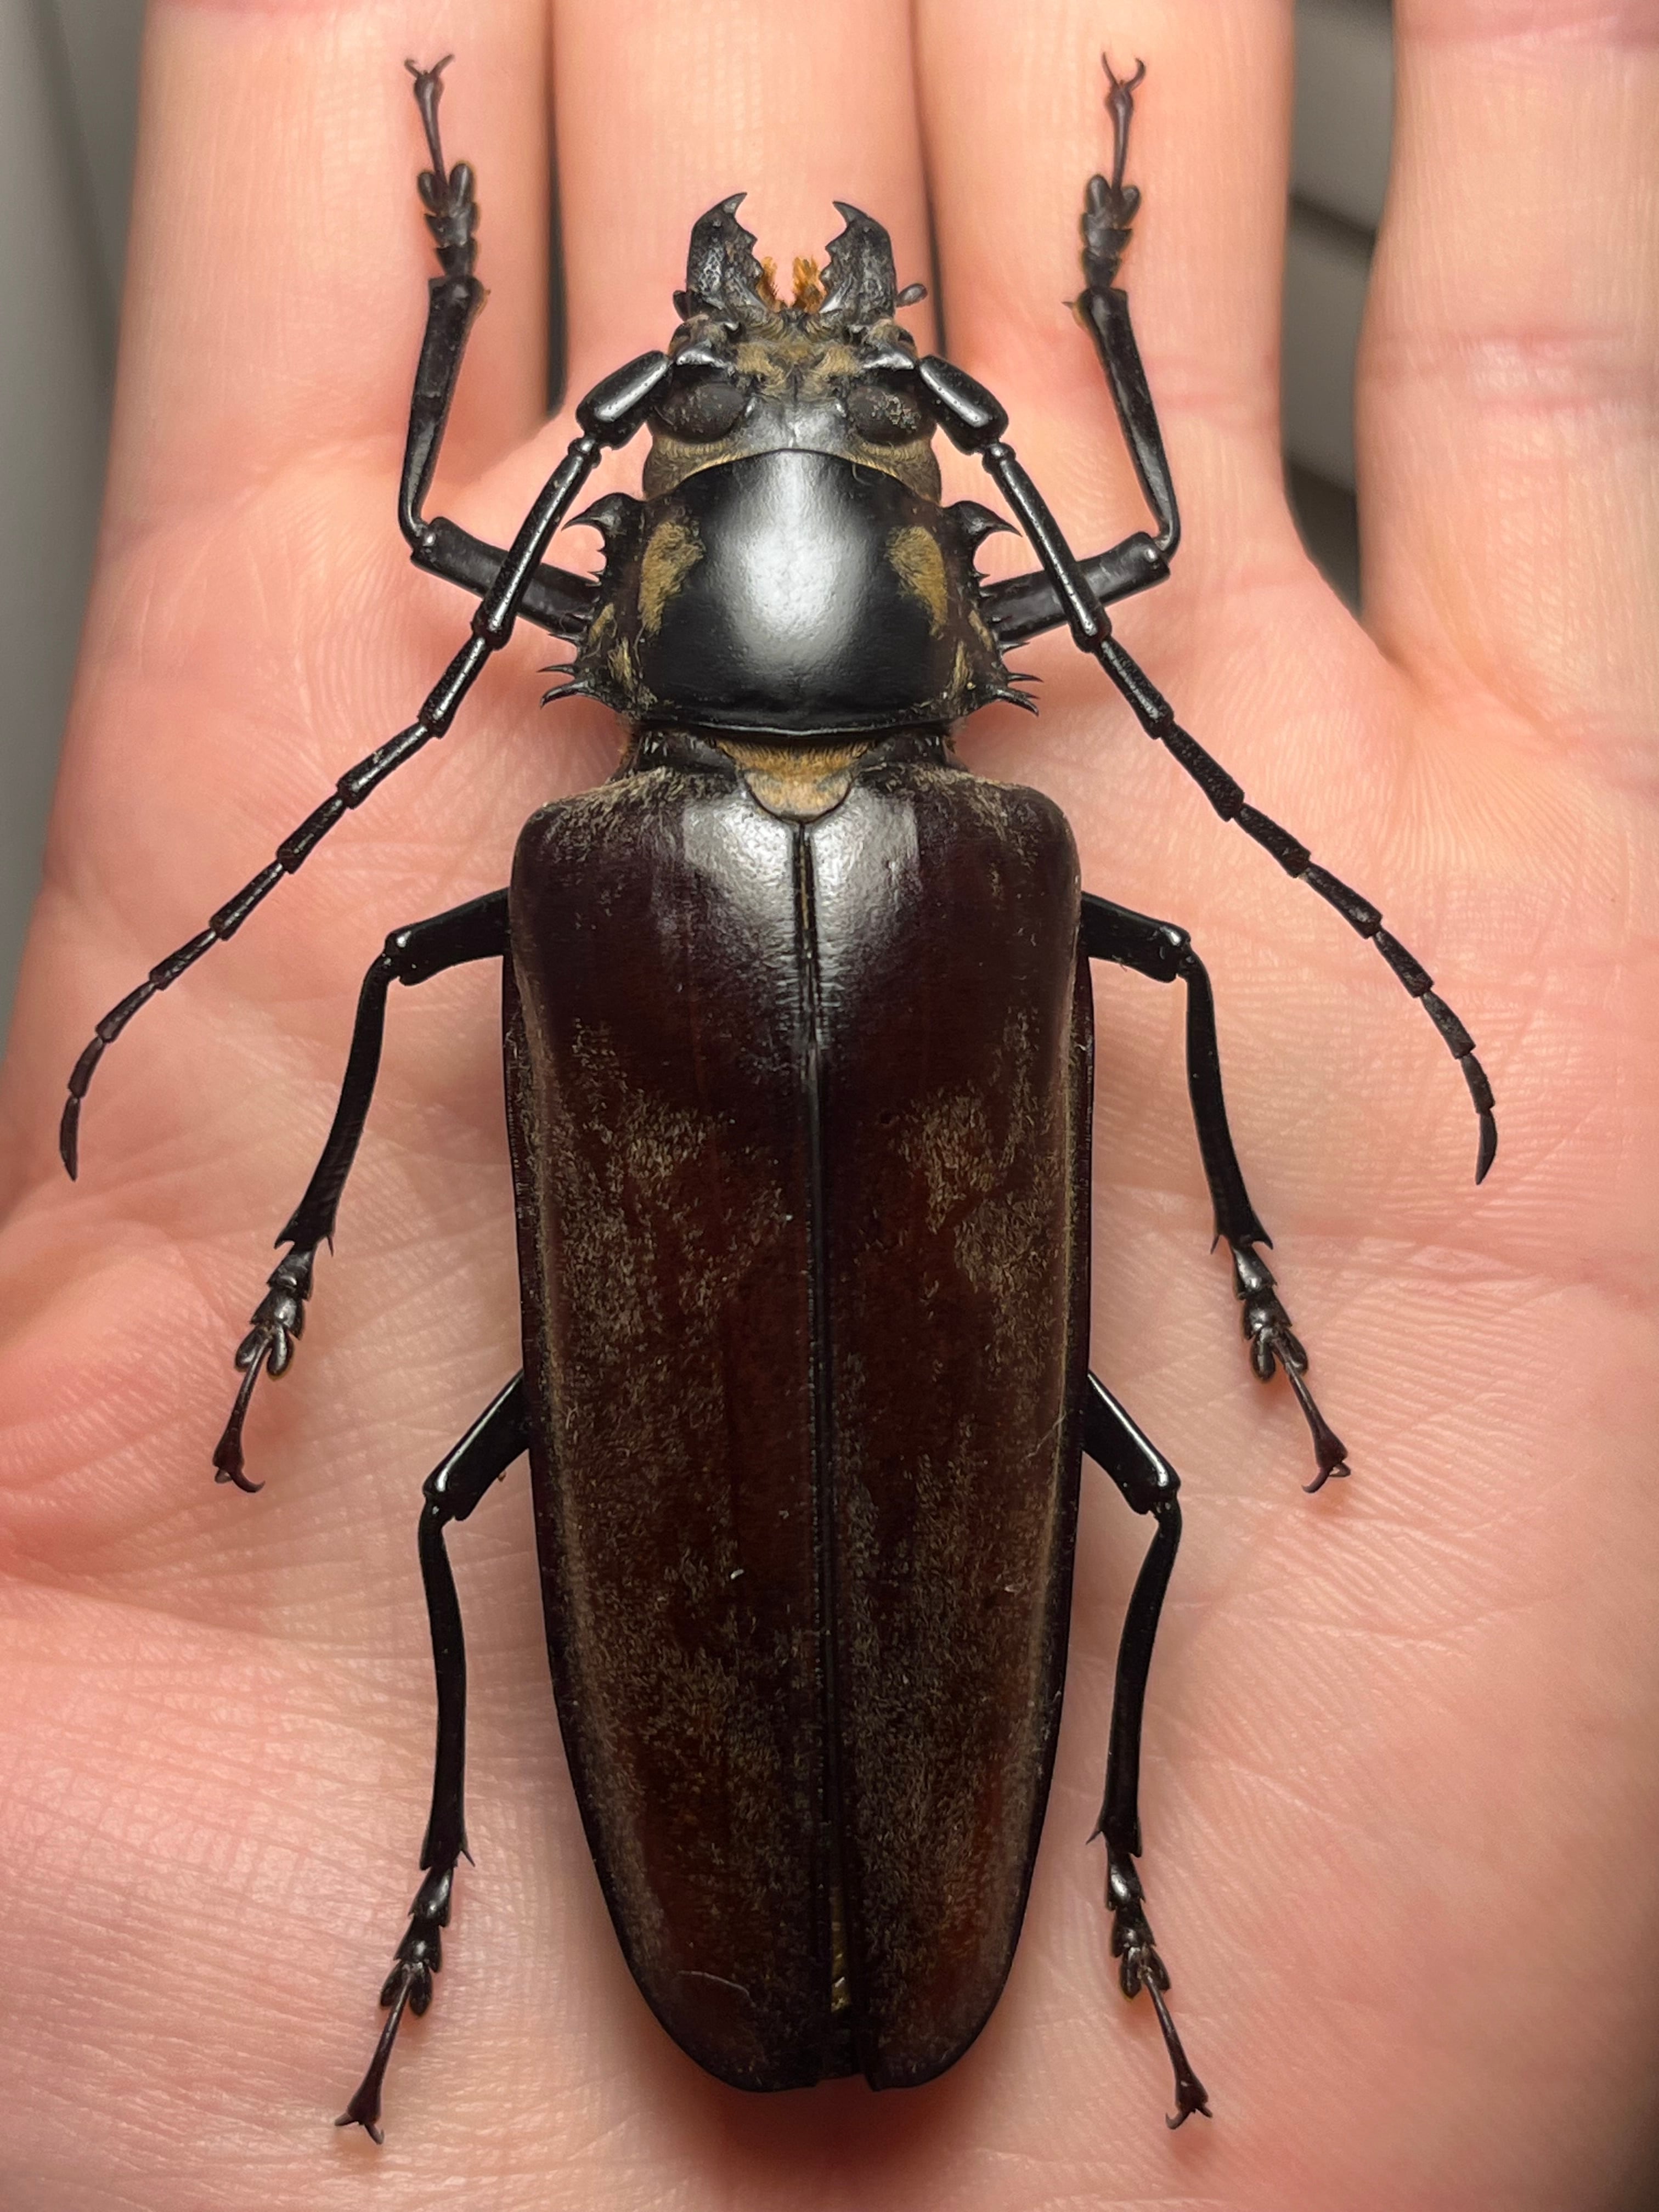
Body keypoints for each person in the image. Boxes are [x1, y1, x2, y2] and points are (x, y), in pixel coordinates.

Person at [0, 1, 1652, 2204]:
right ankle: (1125, 1875)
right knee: (1144, 1495)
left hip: (817, 1788)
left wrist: (465, 287)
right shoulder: (1017, 880)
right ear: (960, 583)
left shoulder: (591, 881)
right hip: (832, 1790)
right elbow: (1147, 531)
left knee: (433, 1492)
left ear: (622, 587)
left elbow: (423, 527)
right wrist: (1095, 304)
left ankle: (454, 1894)